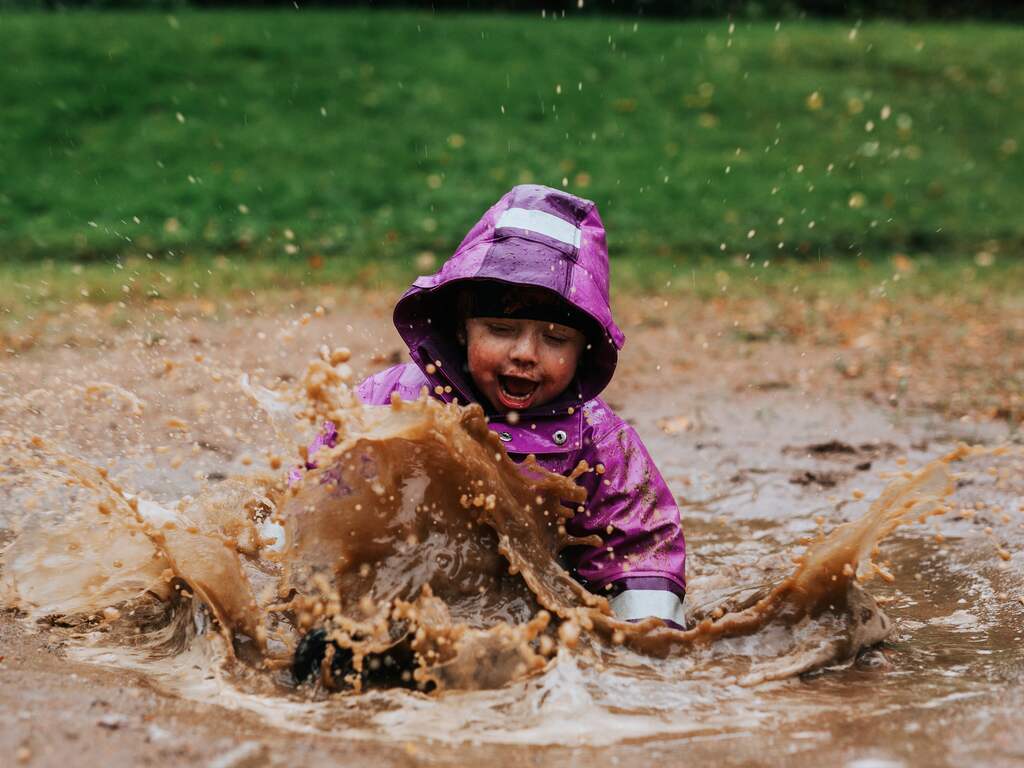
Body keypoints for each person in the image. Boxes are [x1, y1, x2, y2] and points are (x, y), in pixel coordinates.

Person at [298, 185, 686, 667]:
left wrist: (647, 639)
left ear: (584, 348)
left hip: (531, 616)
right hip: (403, 593)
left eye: (555, 338)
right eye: (501, 330)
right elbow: (315, 493)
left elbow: (640, 543)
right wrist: (299, 582)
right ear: (462, 327)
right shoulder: (391, 401)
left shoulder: (598, 440)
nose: (525, 353)